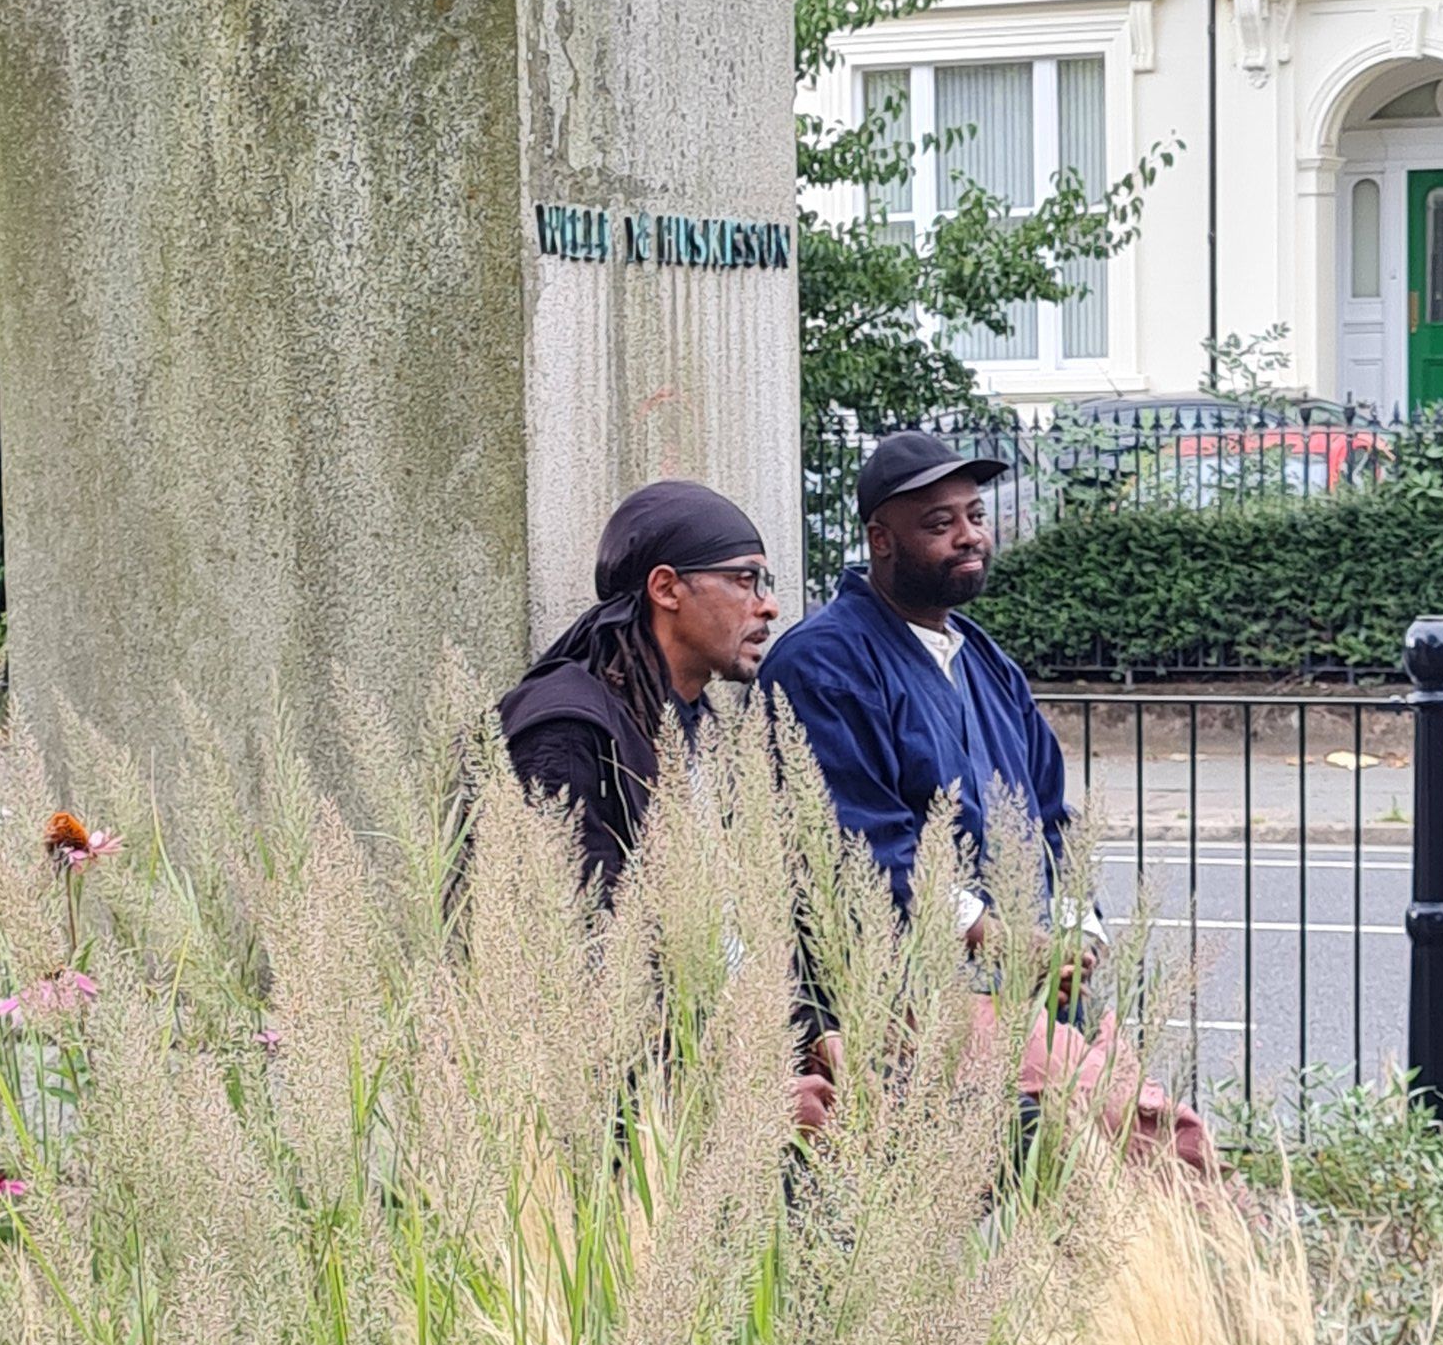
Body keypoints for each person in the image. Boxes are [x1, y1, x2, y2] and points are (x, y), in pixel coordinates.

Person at [760, 430, 1225, 1185]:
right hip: (907, 1000)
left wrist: (1078, 935)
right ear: (881, 539)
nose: (970, 535)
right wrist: (997, 936)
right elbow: (862, 849)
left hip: (1028, 989)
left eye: (974, 514)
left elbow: (1048, 819)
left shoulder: (984, 660)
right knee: (1146, 1140)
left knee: (1131, 1153)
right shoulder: (823, 662)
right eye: (939, 523)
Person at [500, 479, 834, 1131]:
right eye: (745, 580)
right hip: (622, 1126)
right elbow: (576, 963)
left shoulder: (698, 726)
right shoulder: (566, 728)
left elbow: (740, 924)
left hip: (716, 1073)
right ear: (666, 589)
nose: (767, 608)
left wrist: (817, 1032)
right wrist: (737, 1091)